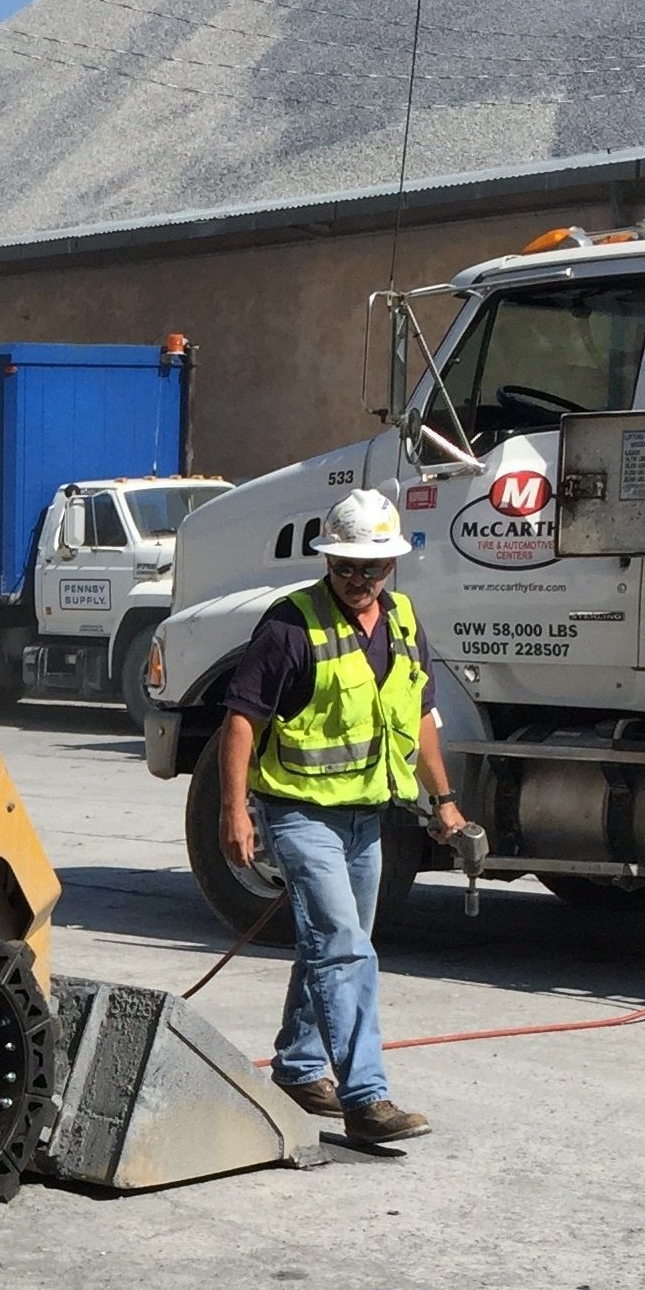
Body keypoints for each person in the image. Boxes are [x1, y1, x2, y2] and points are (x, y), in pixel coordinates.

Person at [218, 487, 468, 1146]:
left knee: (334, 945)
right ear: (327, 561)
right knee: (345, 948)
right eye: (345, 566)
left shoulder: (405, 620)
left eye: (372, 568)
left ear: (392, 565)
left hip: (365, 815)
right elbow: (242, 720)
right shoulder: (289, 625)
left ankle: (300, 1068)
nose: (358, 580)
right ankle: (366, 1097)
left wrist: (444, 803)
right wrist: (233, 812)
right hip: (299, 812)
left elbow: (418, 716)